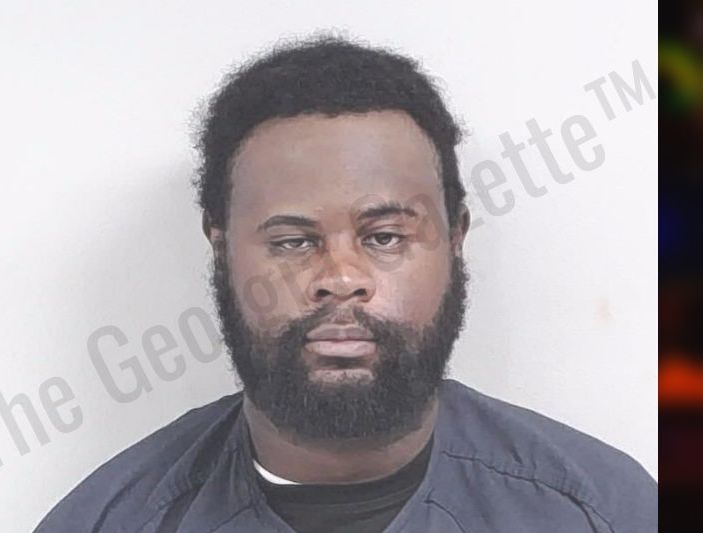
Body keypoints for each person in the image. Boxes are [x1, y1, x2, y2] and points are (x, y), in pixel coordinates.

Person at [35, 36, 657, 532]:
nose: (340, 279)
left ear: (455, 238)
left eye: (384, 237)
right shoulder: (107, 520)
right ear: (220, 248)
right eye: (292, 242)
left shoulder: (605, 512)